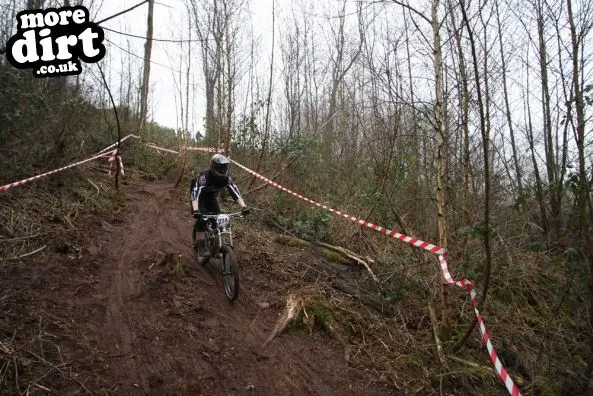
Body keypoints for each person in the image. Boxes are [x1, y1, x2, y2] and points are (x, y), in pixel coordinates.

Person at [190, 153, 249, 257]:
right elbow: (195, 193)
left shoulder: (226, 178)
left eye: (225, 168)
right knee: (202, 220)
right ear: (214, 167)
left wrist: (244, 207)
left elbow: (235, 192)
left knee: (218, 221)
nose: (223, 170)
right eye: (221, 168)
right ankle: (201, 245)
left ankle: (215, 246)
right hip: (200, 200)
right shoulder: (204, 176)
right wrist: (195, 210)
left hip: (212, 199)